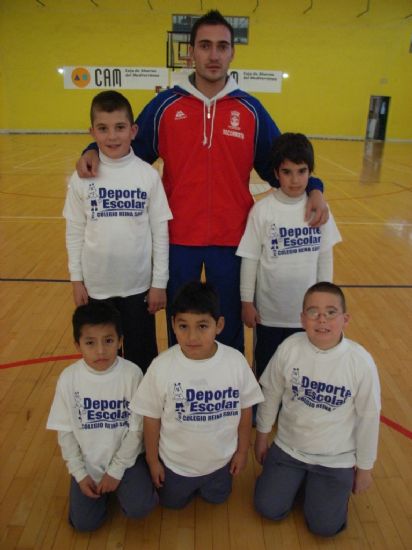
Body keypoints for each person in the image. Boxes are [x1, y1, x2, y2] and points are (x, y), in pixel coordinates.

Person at [76, 10, 328, 353]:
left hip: (233, 238)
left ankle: (228, 394)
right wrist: (93, 147)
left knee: (226, 323)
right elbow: (125, 148)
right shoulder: (165, 106)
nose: (213, 55)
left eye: (222, 46)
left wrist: (315, 187)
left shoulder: (250, 109)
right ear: (190, 51)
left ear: (232, 53)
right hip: (178, 236)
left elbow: (286, 163)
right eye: (205, 46)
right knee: (183, 323)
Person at [254, 282, 381, 537]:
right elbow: (271, 393)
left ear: (345, 319)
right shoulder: (290, 348)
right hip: (289, 449)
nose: (322, 319)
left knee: (324, 527)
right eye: (313, 312)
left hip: (336, 459)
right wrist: (262, 436)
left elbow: (369, 418)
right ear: (302, 319)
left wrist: (365, 468)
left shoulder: (360, 362)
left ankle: (317, 488)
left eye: (331, 312)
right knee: (269, 508)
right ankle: (301, 482)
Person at [129, 281, 264, 509]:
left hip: (221, 464)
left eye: (202, 326)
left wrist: (242, 451)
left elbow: (245, 409)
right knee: (172, 504)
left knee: (217, 498)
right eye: (183, 326)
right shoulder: (161, 366)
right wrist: (152, 461)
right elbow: (150, 417)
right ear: (172, 324)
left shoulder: (235, 362)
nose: (192, 336)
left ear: (219, 325)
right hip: (175, 465)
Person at [64, 90, 172, 372]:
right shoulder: (82, 178)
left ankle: (144, 414)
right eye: (103, 129)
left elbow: (160, 232)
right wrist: (77, 279)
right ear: (92, 132)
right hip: (97, 288)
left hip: (138, 289)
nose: (112, 136)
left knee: (142, 359)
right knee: (103, 360)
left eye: (120, 127)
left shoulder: (147, 176)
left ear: (133, 130)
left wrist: (159, 282)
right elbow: (74, 231)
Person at [236, 133, 342, 382]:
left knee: (302, 369)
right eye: (287, 172)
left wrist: (325, 303)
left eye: (302, 171)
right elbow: (250, 259)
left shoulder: (320, 210)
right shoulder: (262, 211)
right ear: (276, 172)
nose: (295, 180)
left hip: (308, 313)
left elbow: (324, 258)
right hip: (269, 313)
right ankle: (264, 415)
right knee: (267, 371)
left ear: (311, 172)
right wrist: (246, 302)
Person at [46, 302, 158, 531]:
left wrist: (116, 470)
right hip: (89, 464)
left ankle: (127, 486)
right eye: (90, 342)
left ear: (120, 341)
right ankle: (103, 490)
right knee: (84, 525)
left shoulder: (132, 374)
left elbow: (137, 430)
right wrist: (78, 472)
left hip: (128, 461)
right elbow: (65, 433)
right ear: (77, 344)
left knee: (140, 507)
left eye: (108, 341)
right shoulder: (68, 379)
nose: (100, 351)